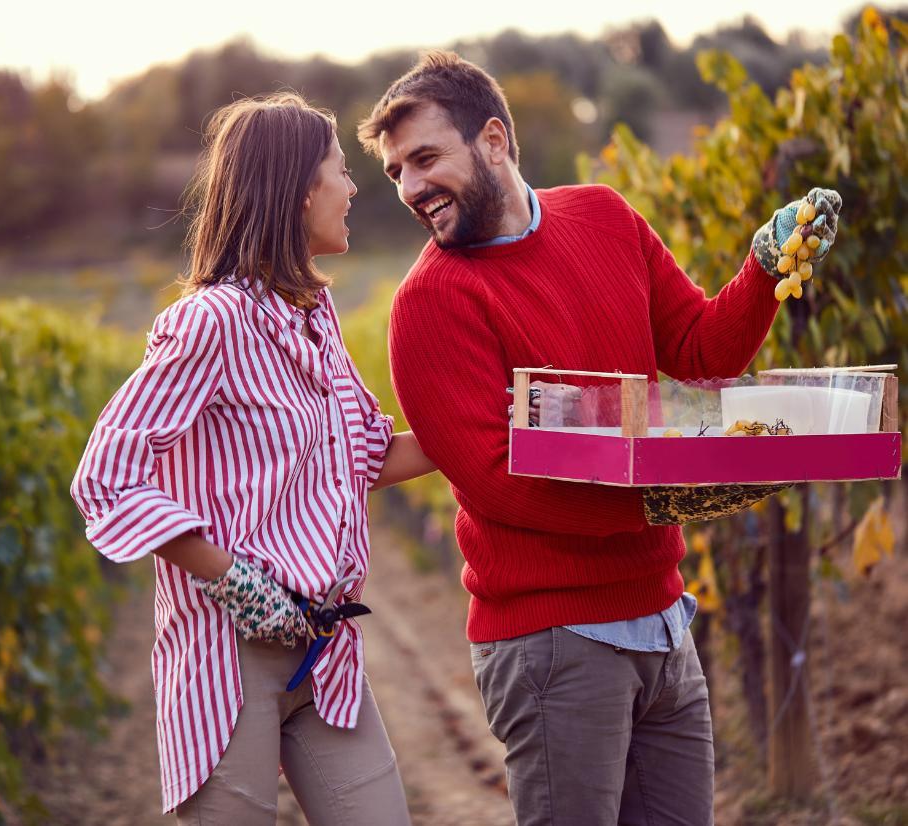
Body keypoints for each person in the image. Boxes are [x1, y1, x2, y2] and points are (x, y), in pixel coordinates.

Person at [357, 51, 841, 826]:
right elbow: (497, 483)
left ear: (492, 141)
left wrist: (758, 271)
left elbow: (700, 353)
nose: (410, 188)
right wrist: (670, 494)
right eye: (394, 173)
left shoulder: (606, 218)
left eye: (424, 159)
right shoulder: (431, 303)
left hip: (661, 621)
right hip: (554, 644)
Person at [71, 92, 434, 825]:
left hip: (324, 653)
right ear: (300, 190)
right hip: (227, 659)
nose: (355, 187)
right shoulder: (212, 322)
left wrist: (495, 427)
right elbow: (105, 475)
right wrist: (235, 581)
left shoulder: (315, 317)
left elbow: (365, 457)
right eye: (340, 170)